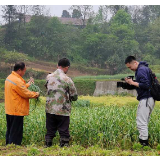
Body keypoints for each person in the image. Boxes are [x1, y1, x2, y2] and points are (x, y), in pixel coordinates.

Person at [45, 58, 78, 147]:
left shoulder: (48, 77)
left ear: (57, 65)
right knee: (63, 130)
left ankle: (47, 145)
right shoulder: (67, 79)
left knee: (50, 129)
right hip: (62, 109)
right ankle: (63, 147)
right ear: (67, 67)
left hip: (50, 108)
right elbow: (74, 95)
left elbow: (47, 88)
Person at [5, 62, 40, 145]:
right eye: (24, 71)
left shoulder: (10, 77)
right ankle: (14, 146)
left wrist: (28, 84)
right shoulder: (17, 80)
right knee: (16, 130)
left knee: (10, 129)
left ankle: (8, 145)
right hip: (17, 110)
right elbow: (25, 93)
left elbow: (20, 88)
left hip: (10, 109)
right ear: (19, 70)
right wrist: (36, 94)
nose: (24, 72)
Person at [125, 56, 155, 146]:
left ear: (135, 63)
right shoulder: (144, 68)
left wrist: (132, 82)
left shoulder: (141, 70)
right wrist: (132, 83)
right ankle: (144, 143)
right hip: (149, 98)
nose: (130, 69)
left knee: (141, 122)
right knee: (144, 121)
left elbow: (146, 85)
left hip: (146, 98)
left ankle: (143, 144)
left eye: (130, 67)